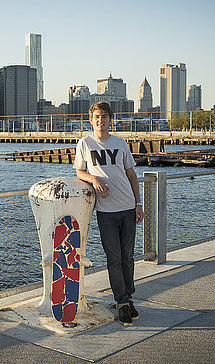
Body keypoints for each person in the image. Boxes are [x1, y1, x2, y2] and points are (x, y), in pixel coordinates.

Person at [73, 101, 143, 326]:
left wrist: (138, 204)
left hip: (127, 207)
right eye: (96, 117)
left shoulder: (120, 143)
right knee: (113, 258)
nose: (100, 120)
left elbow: (131, 175)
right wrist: (93, 179)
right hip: (106, 212)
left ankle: (128, 297)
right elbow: (79, 171)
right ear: (91, 120)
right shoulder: (85, 143)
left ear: (110, 119)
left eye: (104, 116)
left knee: (128, 258)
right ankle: (122, 302)